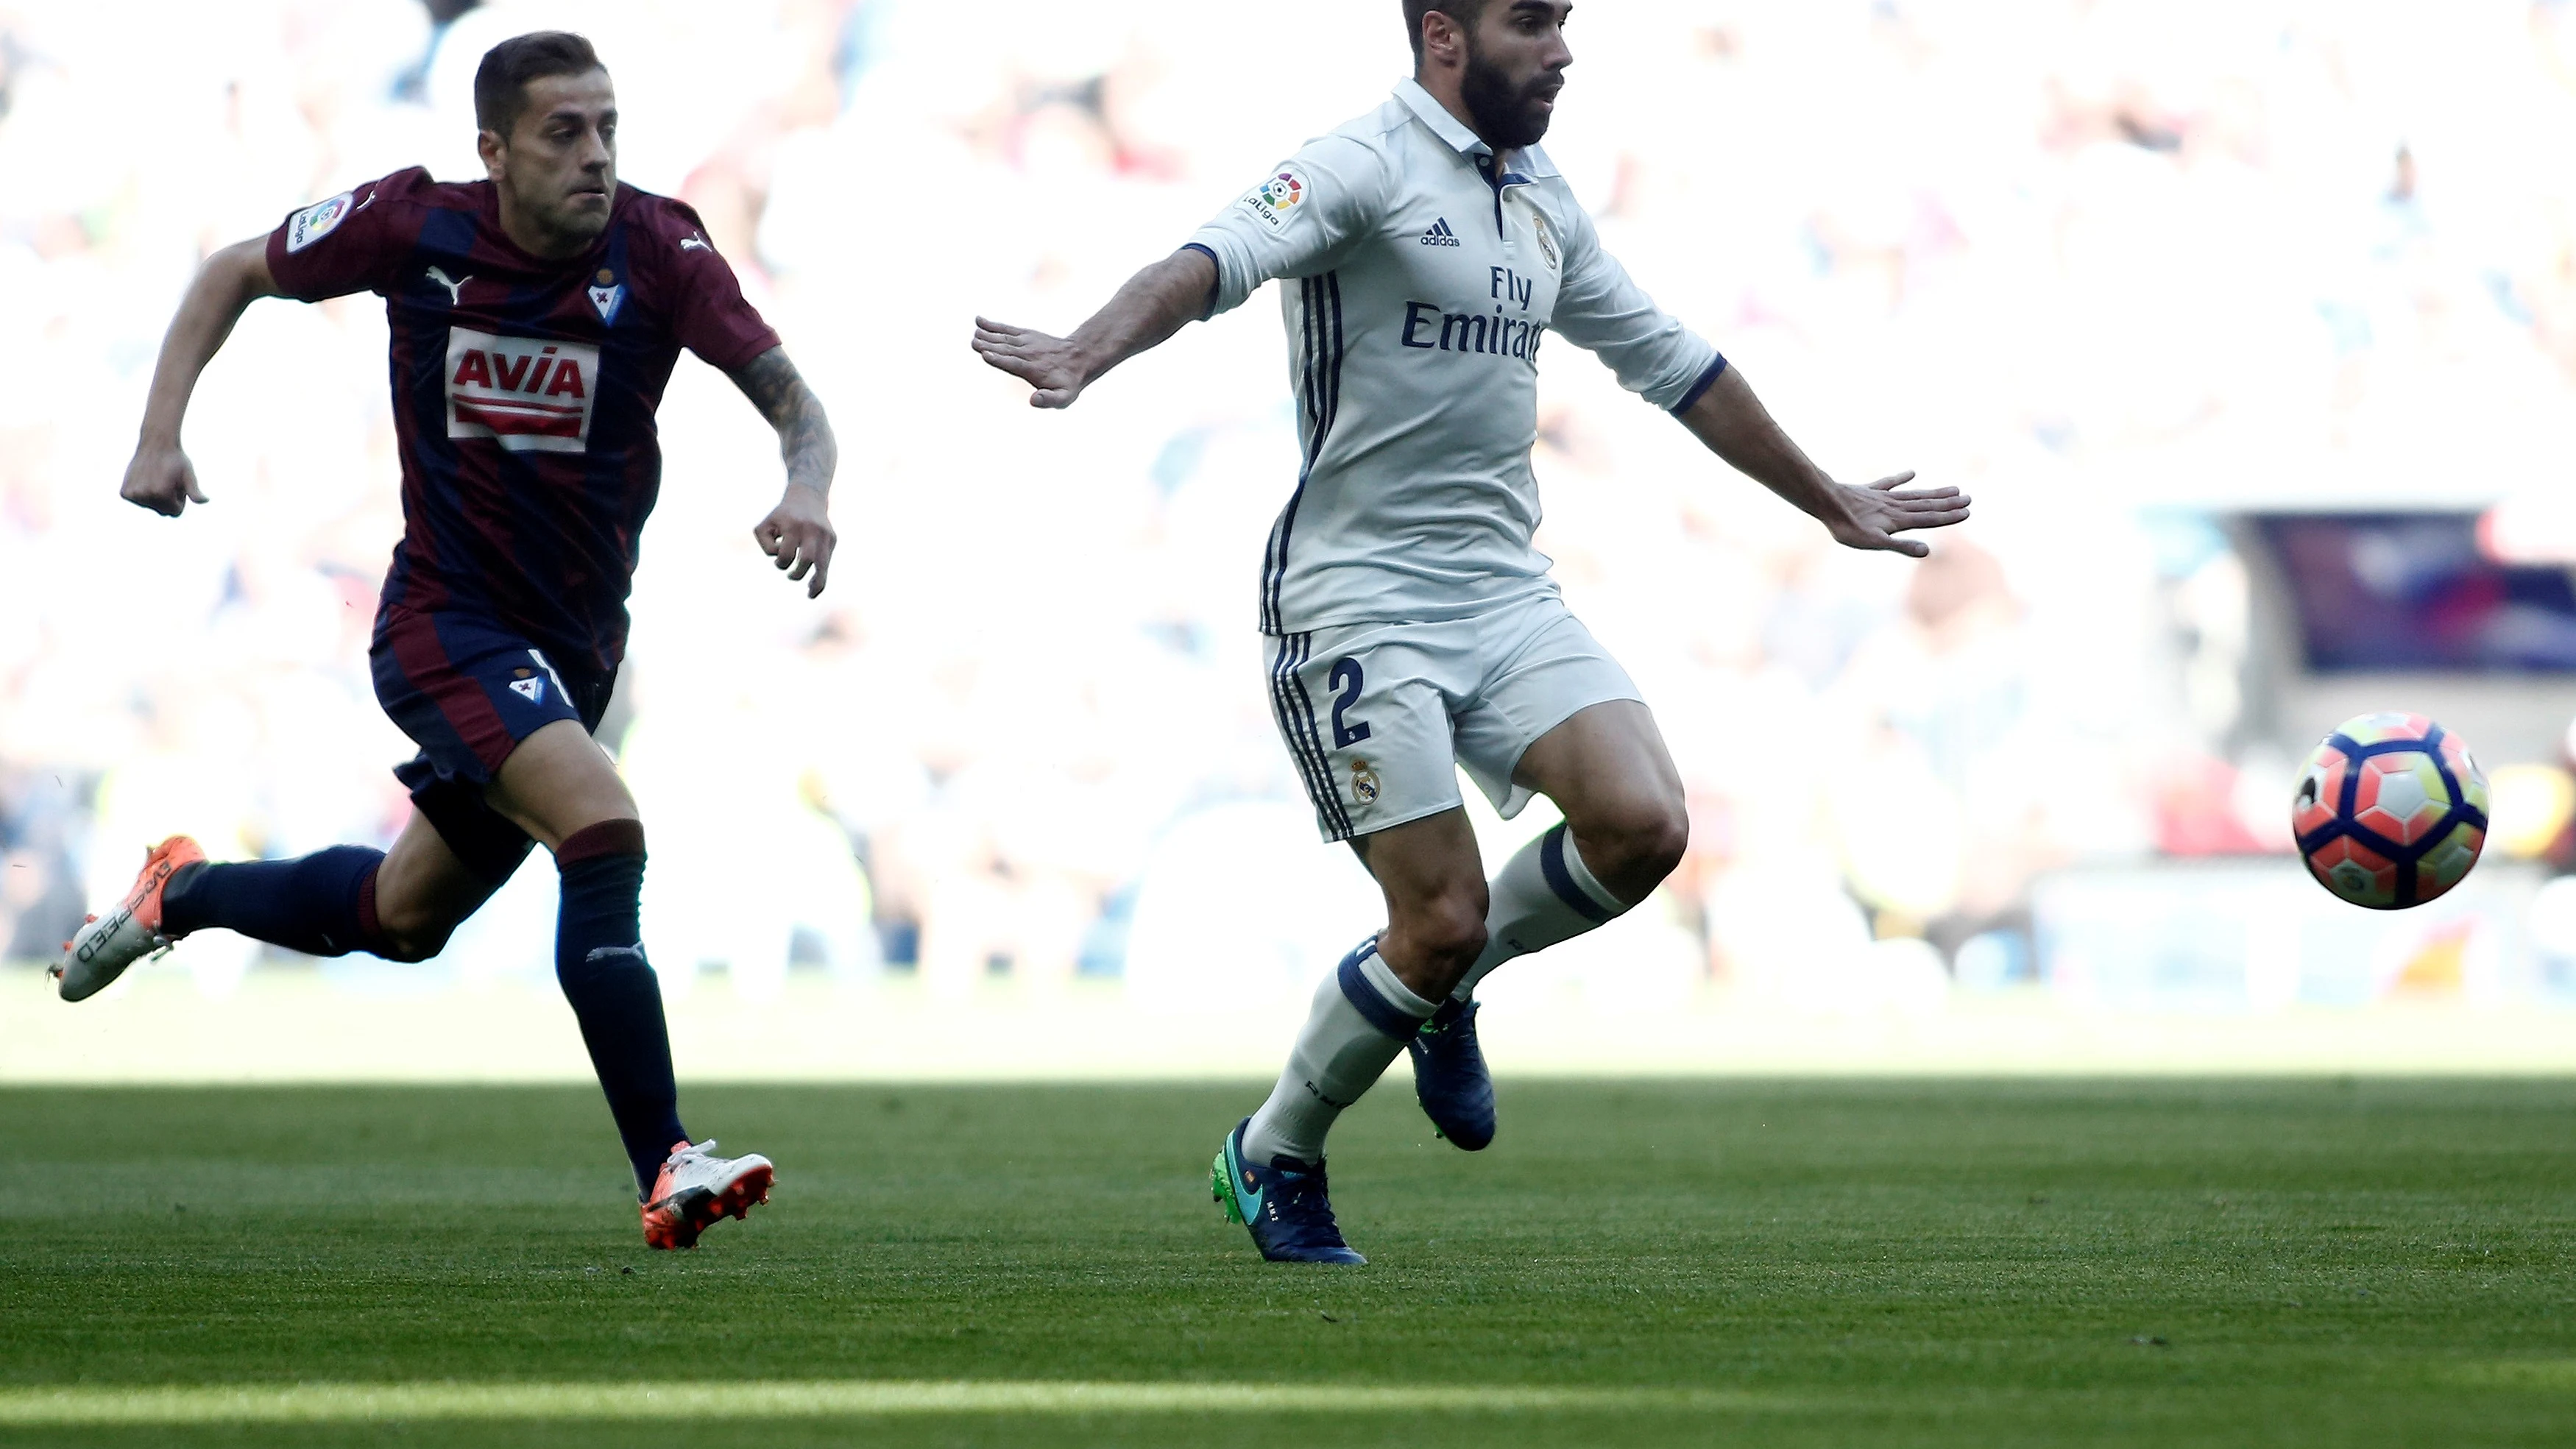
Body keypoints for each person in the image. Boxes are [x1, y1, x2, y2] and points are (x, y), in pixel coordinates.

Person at [974, 0, 1969, 1263]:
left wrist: (1831, 499)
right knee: (1433, 921)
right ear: (1443, 36)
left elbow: (1675, 363)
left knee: (1645, 824)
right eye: (1531, 24)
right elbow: (1209, 261)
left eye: (1562, 22)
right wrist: (1086, 350)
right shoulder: (1358, 165)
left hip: (1502, 587)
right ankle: (1273, 1152)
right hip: (1354, 597)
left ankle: (1448, 991)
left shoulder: (1544, 196)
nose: (1561, 49)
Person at [57, 32, 838, 1252]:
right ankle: (670, 1158)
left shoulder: (665, 249)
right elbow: (230, 271)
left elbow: (797, 404)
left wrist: (807, 490)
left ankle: (183, 895)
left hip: (575, 655)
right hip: (442, 626)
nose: (594, 157)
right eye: (562, 133)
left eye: (608, 128)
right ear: (494, 148)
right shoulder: (415, 230)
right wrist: (160, 434)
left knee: (402, 916)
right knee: (605, 825)